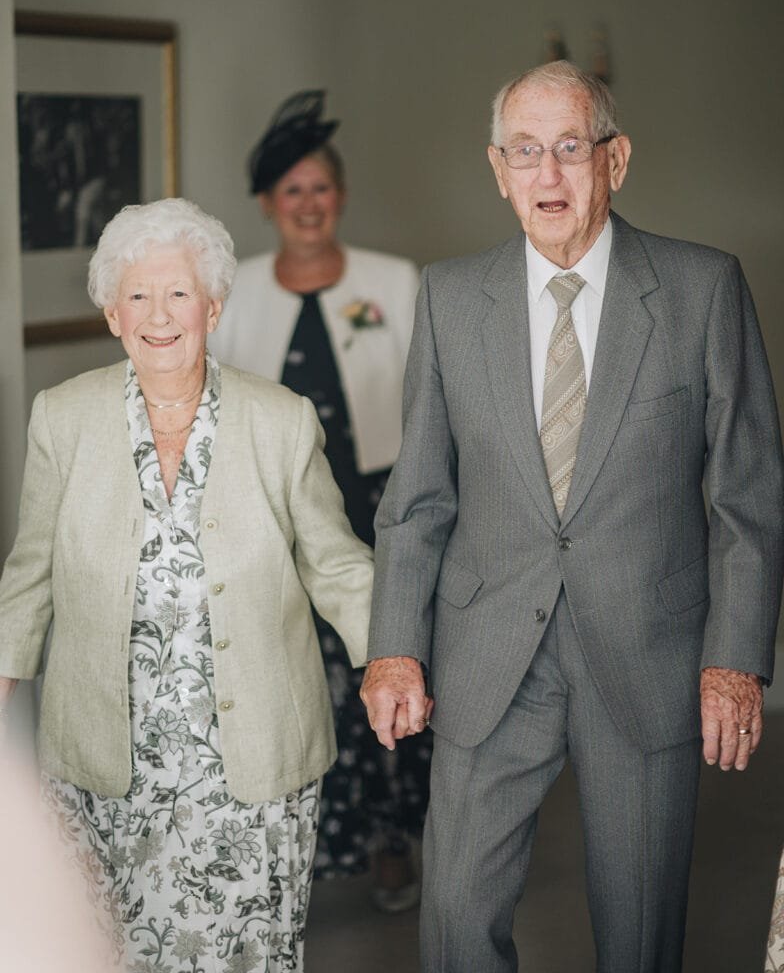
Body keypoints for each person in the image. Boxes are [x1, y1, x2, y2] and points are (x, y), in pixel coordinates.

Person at [360, 60, 784, 972]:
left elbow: (747, 497)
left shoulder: (703, 289)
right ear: (497, 169)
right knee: (456, 914)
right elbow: (420, 494)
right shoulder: (448, 298)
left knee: (639, 929)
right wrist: (395, 643)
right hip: (486, 655)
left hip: (649, 647)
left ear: (615, 160)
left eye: (568, 149)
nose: (547, 175)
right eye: (525, 152)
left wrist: (735, 660)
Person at [0, 197, 374, 973]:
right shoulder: (61, 420)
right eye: (138, 295)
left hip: (248, 767)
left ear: (214, 305)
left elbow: (336, 564)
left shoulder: (281, 421)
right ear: (111, 313)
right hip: (106, 766)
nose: (159, 315)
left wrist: (392, 657)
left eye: (178, 294)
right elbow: (30, 572)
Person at [210, 90, 430, 908]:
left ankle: (388, 839)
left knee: (383, 661)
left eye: (321, 188)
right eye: (291, 190)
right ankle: (302, 848)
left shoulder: (393, 281)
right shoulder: (234, 290)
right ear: (268, 203)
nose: (308, 204)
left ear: (341, 196)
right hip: (274, 511)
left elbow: (431, 399)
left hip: (381, 506)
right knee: (293, 679)